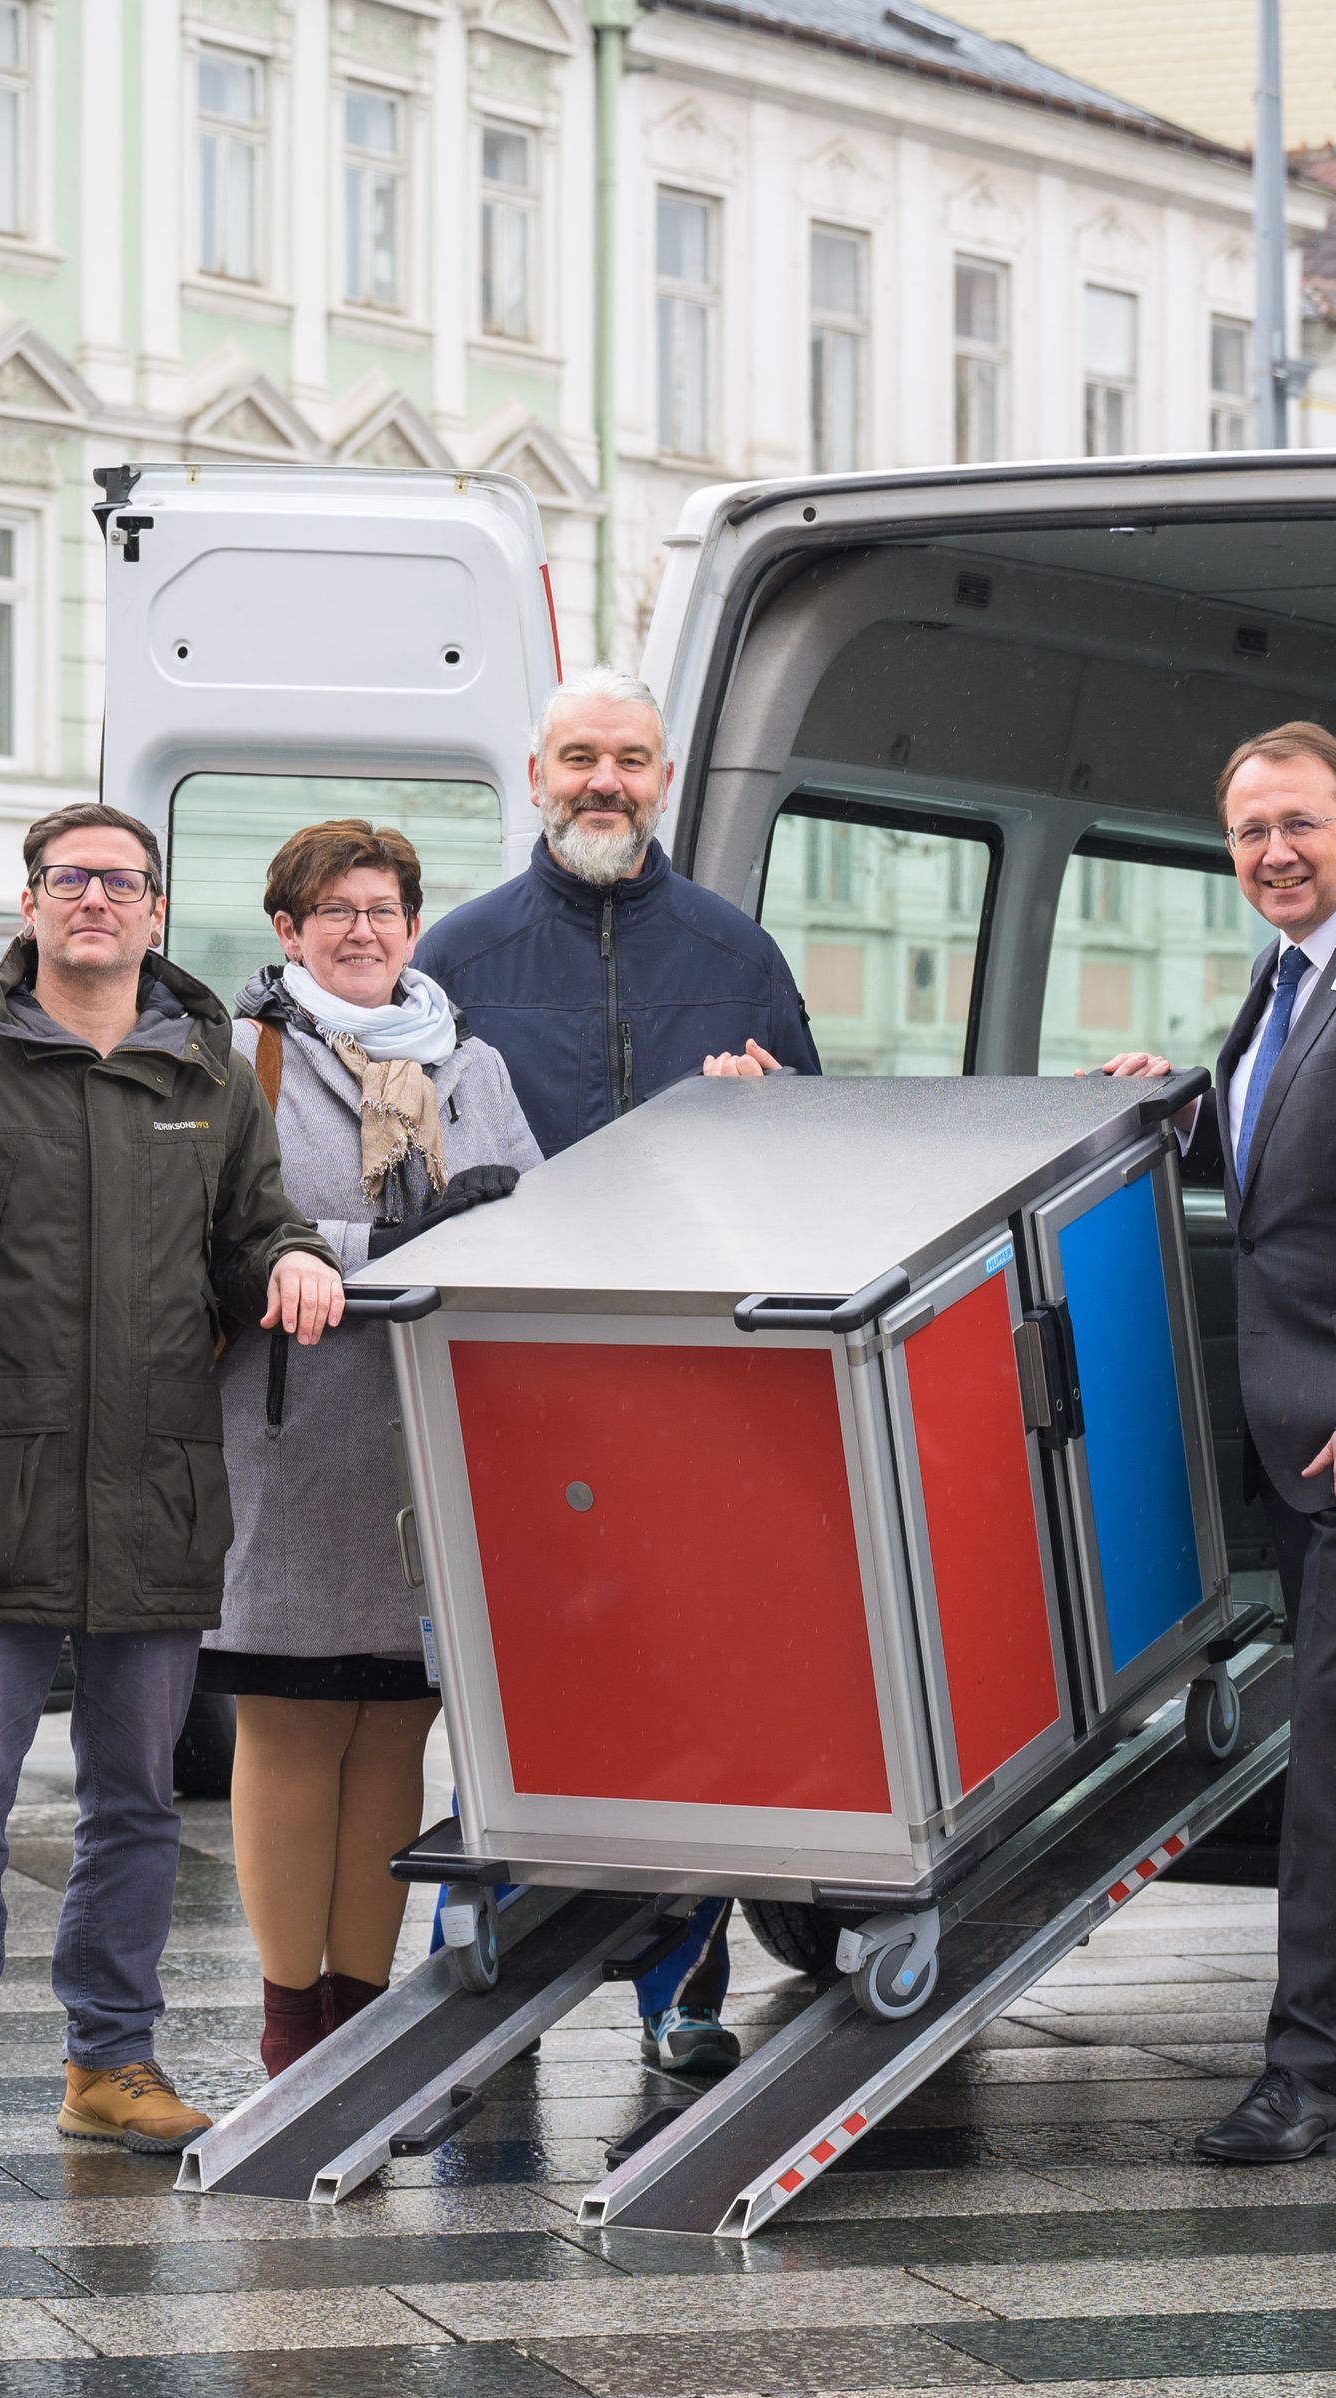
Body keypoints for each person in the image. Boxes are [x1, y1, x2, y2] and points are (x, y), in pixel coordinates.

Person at [0, 802, 341, 2165]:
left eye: (120, 883)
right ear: (30, 905)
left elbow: (258, 1228)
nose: (94, 900)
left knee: (135, 1799)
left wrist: (294, 1259)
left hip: (155, 1496)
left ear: (152, 911)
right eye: (68, 879)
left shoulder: (206, 1078)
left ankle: (108, 2059)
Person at [405, 667, 817, 2072]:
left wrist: (779, 1121)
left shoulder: (736, 950)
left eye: (629, 758)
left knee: (694, 1684)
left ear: (661, 776)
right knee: (517, 1683)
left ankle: (681, 1985)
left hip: (700, 1383)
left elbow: (826, 1162)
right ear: (535, 776)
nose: (604, 781)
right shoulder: (453, 956)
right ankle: (498, 1965)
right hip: (514, 1386)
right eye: (579, 756)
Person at [1089, 722, 1336, 2164]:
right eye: (1250, 830)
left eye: (1300, 825)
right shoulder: (1287, 974)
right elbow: (1287, 1173)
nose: (1273, 852)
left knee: (1331, 1748)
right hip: (1302, 1426)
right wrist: (1184, 1110)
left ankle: (1307, 2068)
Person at [211, 820, 542, 2074]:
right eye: (334, 910)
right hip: (291, 1443)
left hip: (435, 1446)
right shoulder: (240, 1059)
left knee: (396, 1728)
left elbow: (531, 1207)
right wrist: (381, 1249)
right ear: (287, 933)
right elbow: (222, 1232)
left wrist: (495, 1233)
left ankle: (362, 2015)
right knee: (293, 1729)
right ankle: (291, 2025)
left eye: (384, 908)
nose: (363, 929)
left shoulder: (473, 1063)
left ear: (413, 926)